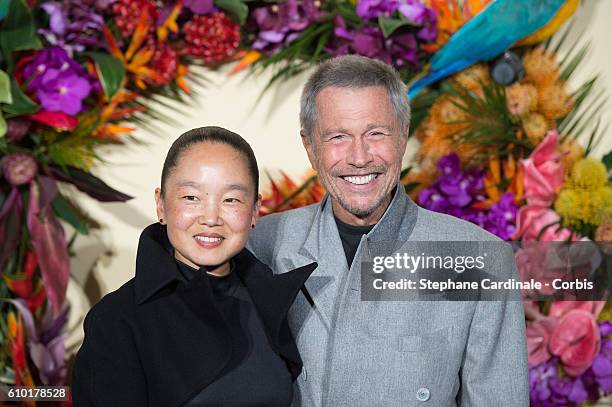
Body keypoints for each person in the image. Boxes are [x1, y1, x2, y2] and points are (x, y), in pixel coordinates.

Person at [247, 55, 529, 406]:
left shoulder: (482, 261)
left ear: (402, 136)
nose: (360, 157)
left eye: (376, 133)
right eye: (338, 137)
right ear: (310, 147)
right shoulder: (263, 243)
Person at [71, 126, 317, 406]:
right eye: (191, 197)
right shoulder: (117, 320)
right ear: (161, 204)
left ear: (254, 211)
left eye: (231, 200)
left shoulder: (271, 301)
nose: (211, 217)